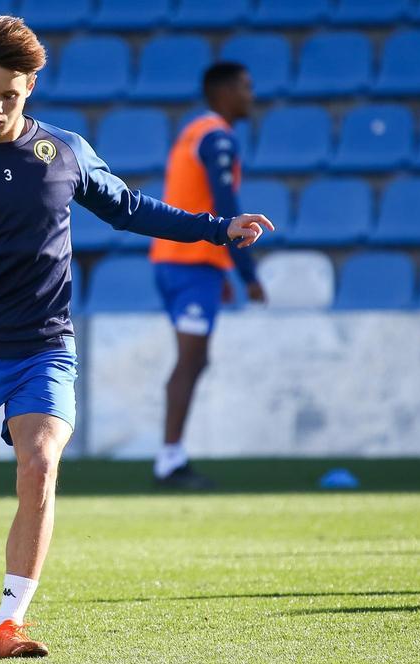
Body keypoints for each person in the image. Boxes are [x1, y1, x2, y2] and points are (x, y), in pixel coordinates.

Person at [0, 16, 272, 660]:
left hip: (44, 349)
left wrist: (216, 227)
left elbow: (129, 207)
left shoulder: (62, 151)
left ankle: (6, 625)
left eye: (9, 94)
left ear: (31, 86)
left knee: (39, 464)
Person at [148, 63, 266, 490]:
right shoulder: (216, 136)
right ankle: (169, 461)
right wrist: (247, 270)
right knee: (190, 358)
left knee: (196, 358)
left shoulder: (196, 131)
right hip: (188, 262)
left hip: (185, 261)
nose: (251, 96)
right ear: (225, 91)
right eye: (246, 87)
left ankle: (172, 455)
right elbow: (224, 199)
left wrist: (222, 269)